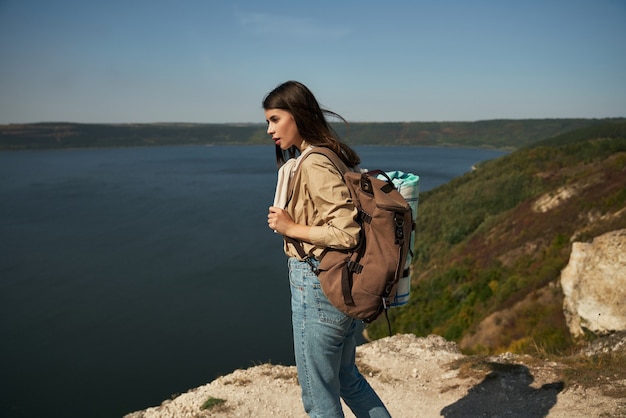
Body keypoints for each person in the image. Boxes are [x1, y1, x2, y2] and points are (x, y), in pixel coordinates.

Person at [264, 80, 392, 418]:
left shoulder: (314, 162)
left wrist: (290, 228)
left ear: (297, 115)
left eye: (275, 119)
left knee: (318, 394)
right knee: (346, 377)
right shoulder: (329, 152)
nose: (269, 130)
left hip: (318, 285)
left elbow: (346, 232)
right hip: (340, 283)